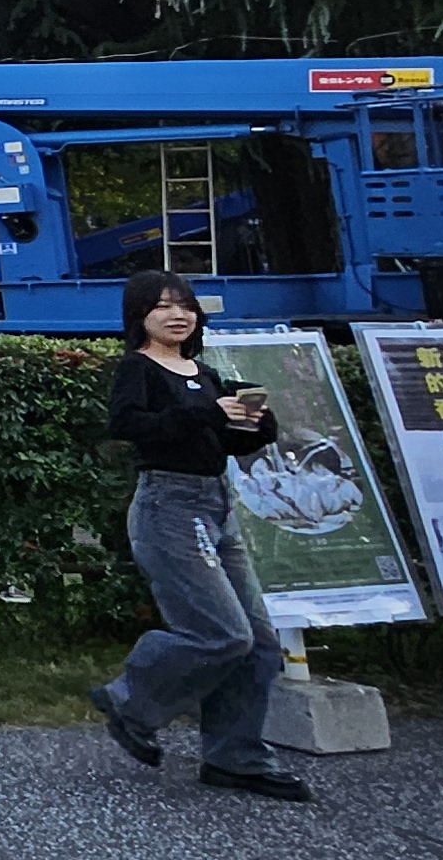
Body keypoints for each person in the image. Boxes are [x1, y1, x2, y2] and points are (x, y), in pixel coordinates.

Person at [91, 269, 311, 802]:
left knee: (258, 642)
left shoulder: (204, 373)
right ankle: (129, 698)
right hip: (168, 506)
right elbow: (128, 426)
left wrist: (254, 427)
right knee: (222, 632)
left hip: (217, 503)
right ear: (140, 315)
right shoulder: (138, 368)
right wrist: (203, 412)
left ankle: (236, 757)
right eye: (163, 306)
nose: (178, 315)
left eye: (186, 305)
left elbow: (219, 442)